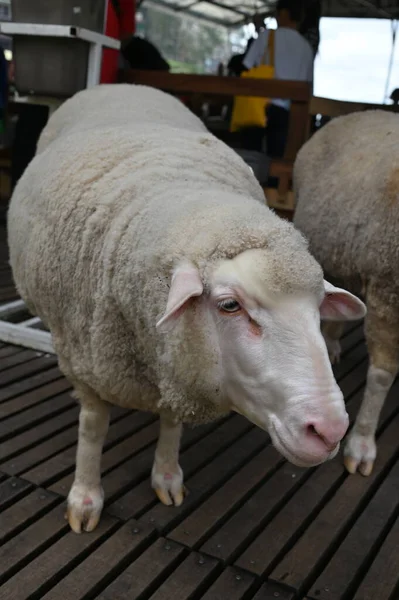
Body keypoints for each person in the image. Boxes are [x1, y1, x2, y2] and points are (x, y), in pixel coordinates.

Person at [243, 0, 314, 160]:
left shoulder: (267, 36)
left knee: (250, 155)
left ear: (283, 13)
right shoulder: (306, 47)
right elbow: (308, 86)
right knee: (278, 156)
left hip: (259, 105)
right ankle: (274, 184)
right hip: (288, 111)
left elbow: (247, 66)